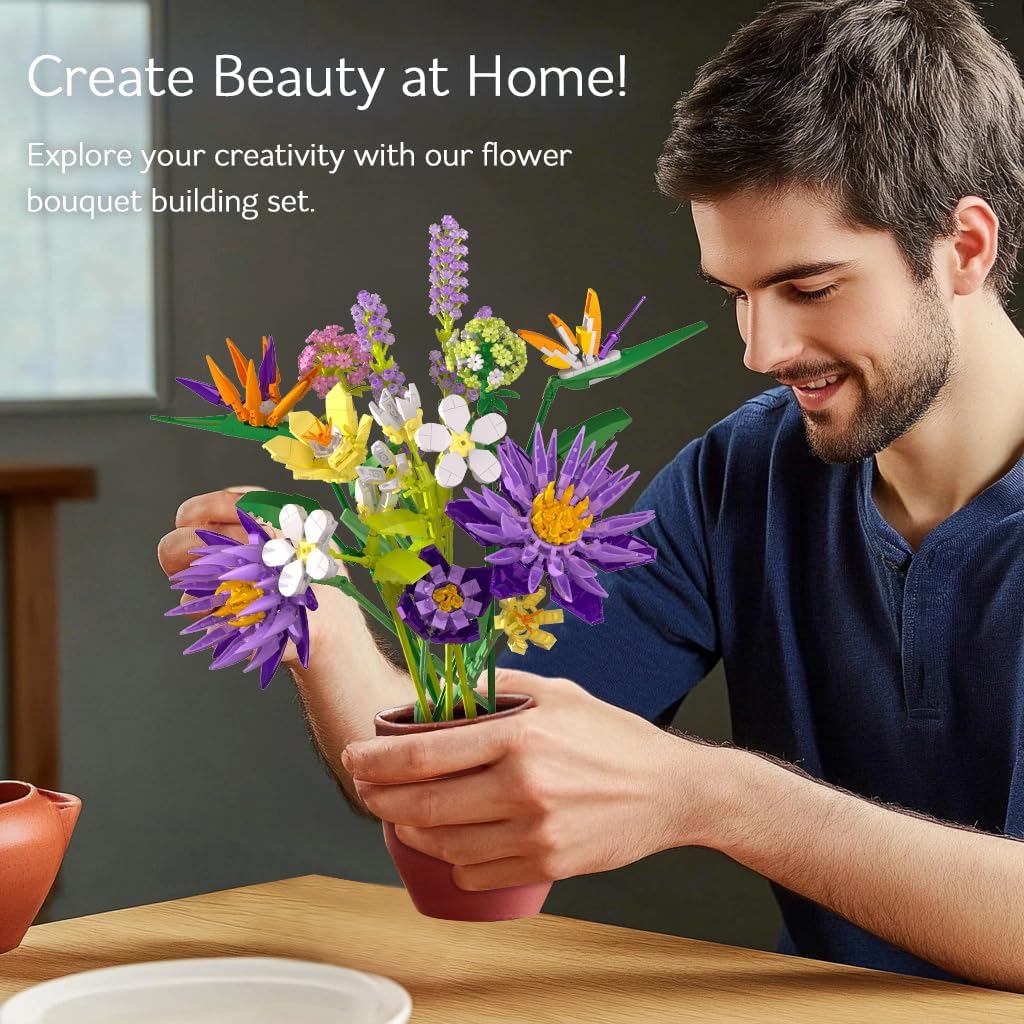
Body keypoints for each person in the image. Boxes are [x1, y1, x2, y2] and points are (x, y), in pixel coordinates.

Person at [158, 0, 1024, 993]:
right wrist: (312, 615)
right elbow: (463, 757)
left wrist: (719, 797)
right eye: (736, 294)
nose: (761, 350)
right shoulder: (739, 476)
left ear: (962, 247)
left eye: (810, 288)